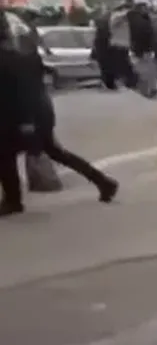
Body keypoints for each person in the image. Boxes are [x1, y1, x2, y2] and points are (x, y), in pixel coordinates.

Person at [0, 14, 118, 216]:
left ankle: (13, 201)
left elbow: (24, 91)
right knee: (52, 153)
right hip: (31, 116)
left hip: (25, 118)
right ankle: (103, 181)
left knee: (6, 157)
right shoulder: (23, 53)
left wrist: (27, 122)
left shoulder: (11, 58)